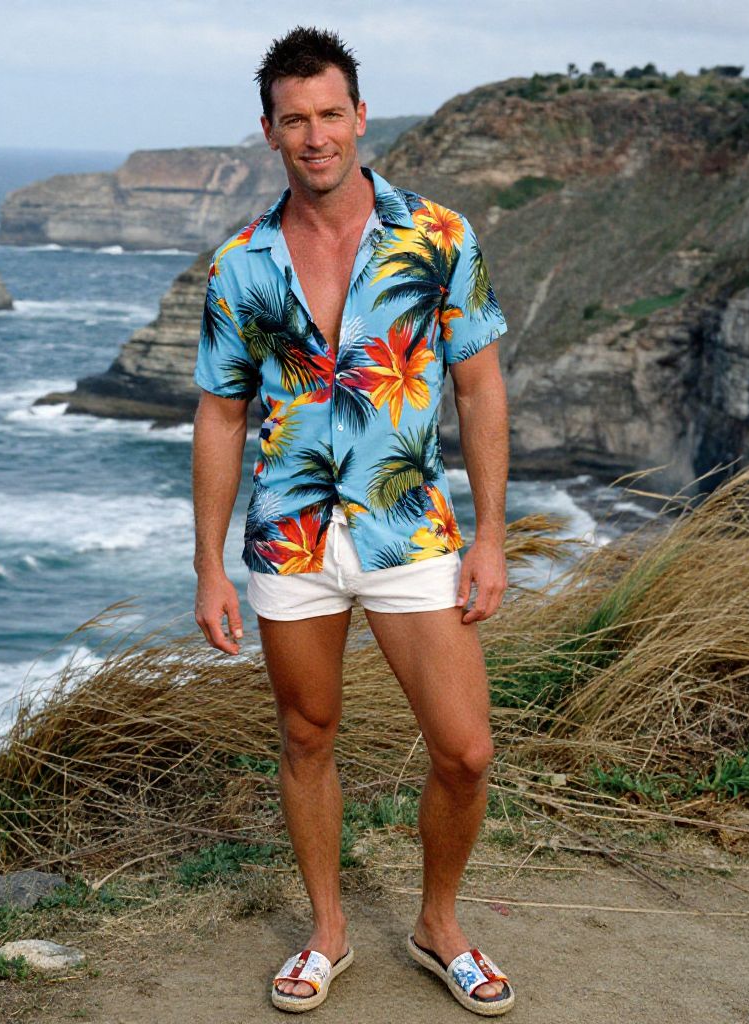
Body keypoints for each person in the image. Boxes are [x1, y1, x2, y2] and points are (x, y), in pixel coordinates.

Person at [191, 25, 513, 1016]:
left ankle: (438, 924)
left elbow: (479, 388)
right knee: (307, 735)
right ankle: (327, 931)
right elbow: (220, 412)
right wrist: (207, 566)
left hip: (408, 526)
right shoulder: (240, 263)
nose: (316, 134)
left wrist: (493, 532)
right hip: (289, 539)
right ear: (270, 131)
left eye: (331, 114)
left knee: (464, 749)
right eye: (296, 119)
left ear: (360, 118)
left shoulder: (439, 236)